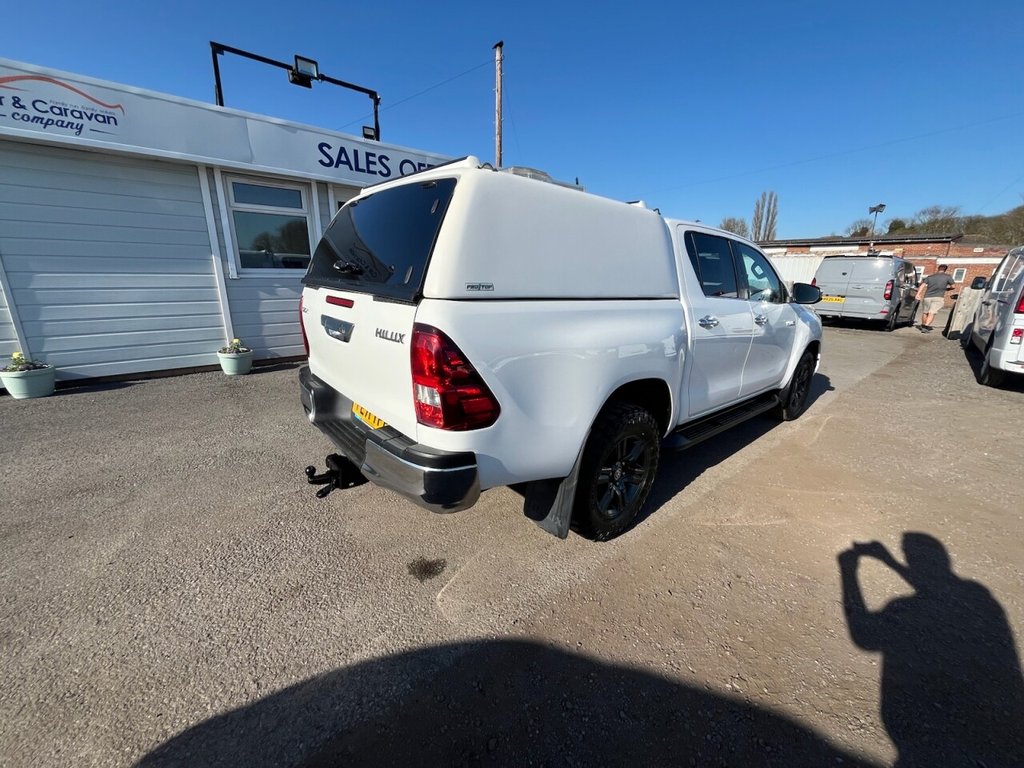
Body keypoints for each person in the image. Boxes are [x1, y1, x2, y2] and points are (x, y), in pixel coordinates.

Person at [915, 264, 954, 332]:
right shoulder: (948, 277)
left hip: (927, 297)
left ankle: (923, 325)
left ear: (938, 269)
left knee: (925, 312)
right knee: (932, 312)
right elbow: (953, 286)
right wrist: (947, 289)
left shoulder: (930, 277)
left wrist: (918, 294)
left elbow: (922, 285)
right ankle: (926, 326)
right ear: (945, 269)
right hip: (938, 297)